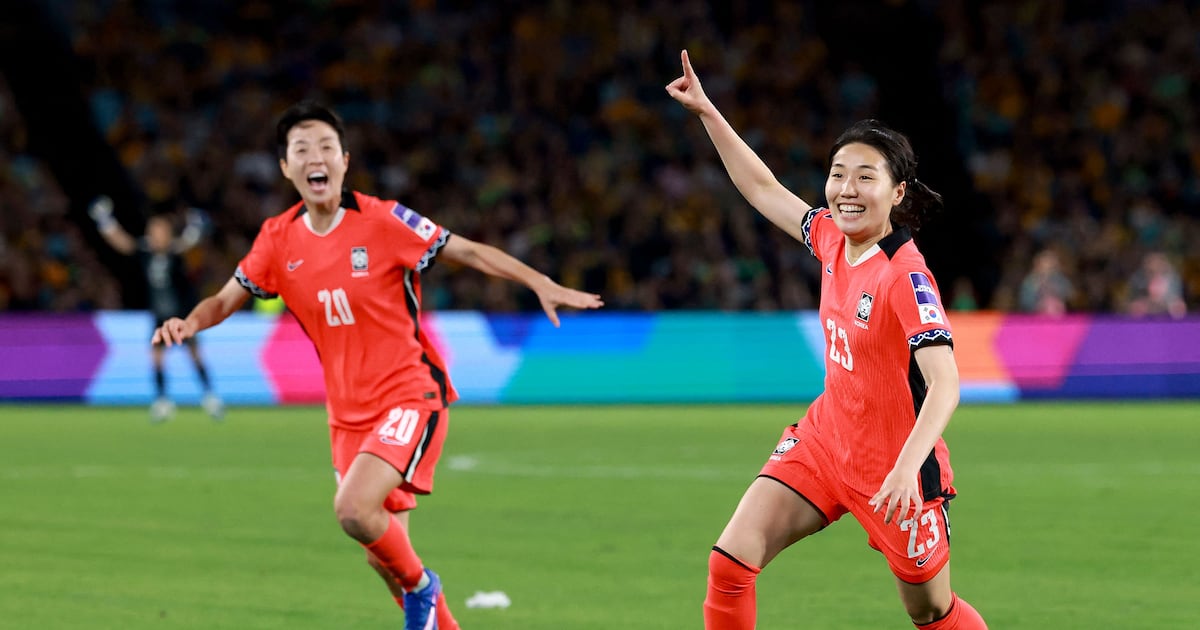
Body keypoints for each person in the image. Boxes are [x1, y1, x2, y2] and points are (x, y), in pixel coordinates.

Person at [153, 100, 604, 630]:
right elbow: (226, 299)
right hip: (347, 415)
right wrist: (190, 322)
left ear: (344, 161)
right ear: (285, 168)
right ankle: (430, 607)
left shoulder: (385, 220)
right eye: (301, 149)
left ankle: (423, 587)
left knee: (354, 512)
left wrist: (539, 282)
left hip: (410, 394)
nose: (315, 157)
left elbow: (470, 252)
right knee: (379, 554)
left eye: (325, 147)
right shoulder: (277, 239)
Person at [667, 50, 988, 629]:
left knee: (932, 610)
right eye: (839, 174)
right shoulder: (832, 240)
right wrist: (708, 113)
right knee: (731, 562)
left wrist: (904, 469)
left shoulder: (906, 277)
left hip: (896, 472)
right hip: (825, 441)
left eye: (866, 178)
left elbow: (945, 384)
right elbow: (764, 189)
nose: (846, 189)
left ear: (897, 193)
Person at [89, 197, 224, 422]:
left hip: (182, 315)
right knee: (157, 358)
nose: (155, 234)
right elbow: (122, 243)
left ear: (168, 233)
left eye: (159, 230)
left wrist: (196, 225)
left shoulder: (174, 251)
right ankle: (162, 401)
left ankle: (210, 397)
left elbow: (189, 241)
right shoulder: (146, 252)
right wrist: (105, 221)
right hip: (159, 316)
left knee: (194, 355)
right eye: (152, 230)